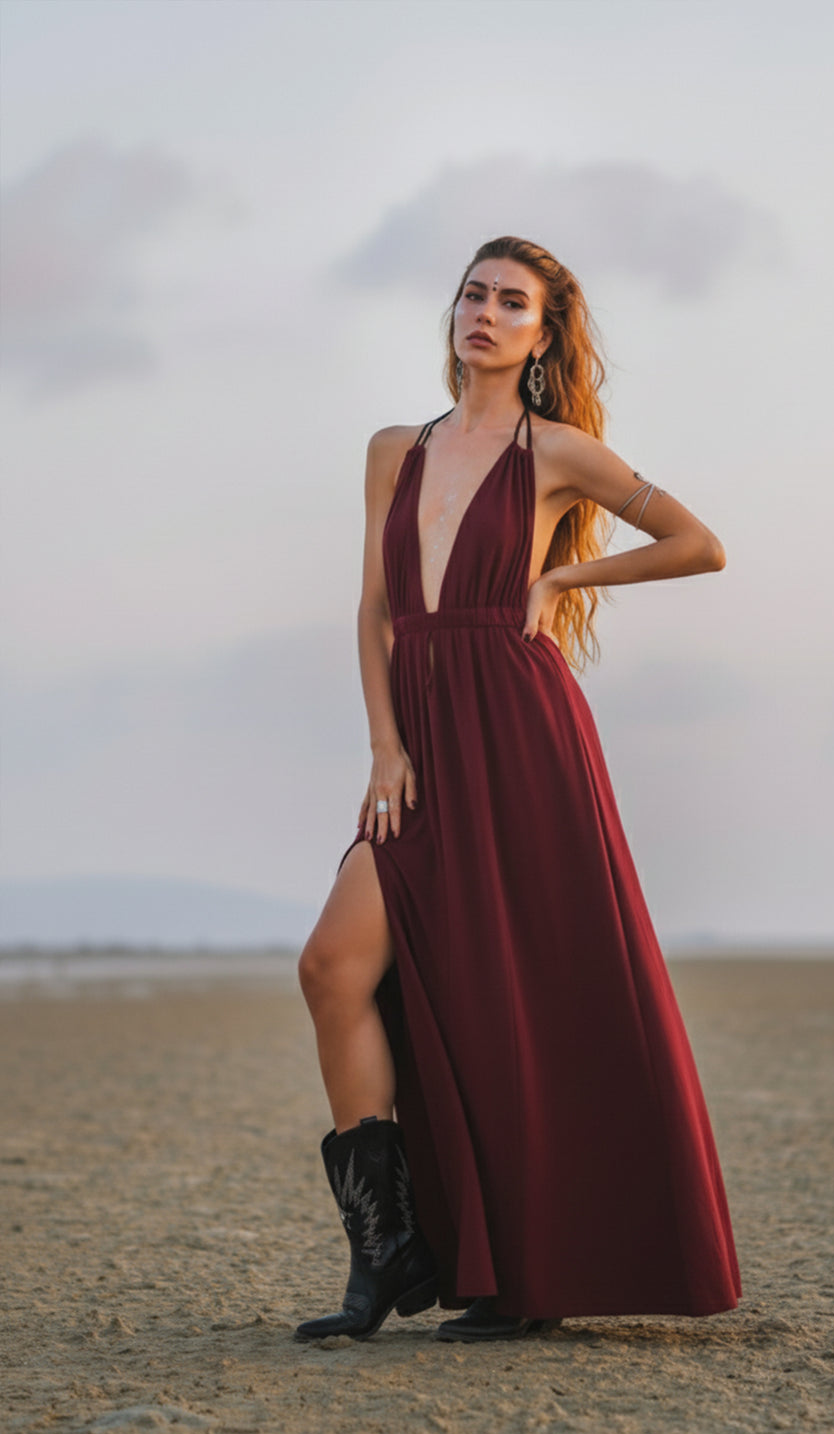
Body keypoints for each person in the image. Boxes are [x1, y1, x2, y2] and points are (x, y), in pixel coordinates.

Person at [294, 235, 741, 1344]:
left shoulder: (562, 452)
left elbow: (699, 544)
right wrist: (383, 747)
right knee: (332, 964)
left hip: (520, 730)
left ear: (542, 335)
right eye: (472, 295)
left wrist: (564, 572)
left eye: (510, 302)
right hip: (419, 743)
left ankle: (525, 1275)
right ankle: (386, 1251)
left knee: (517, 994)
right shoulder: (393, 448)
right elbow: (374, 611)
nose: (483, 314)